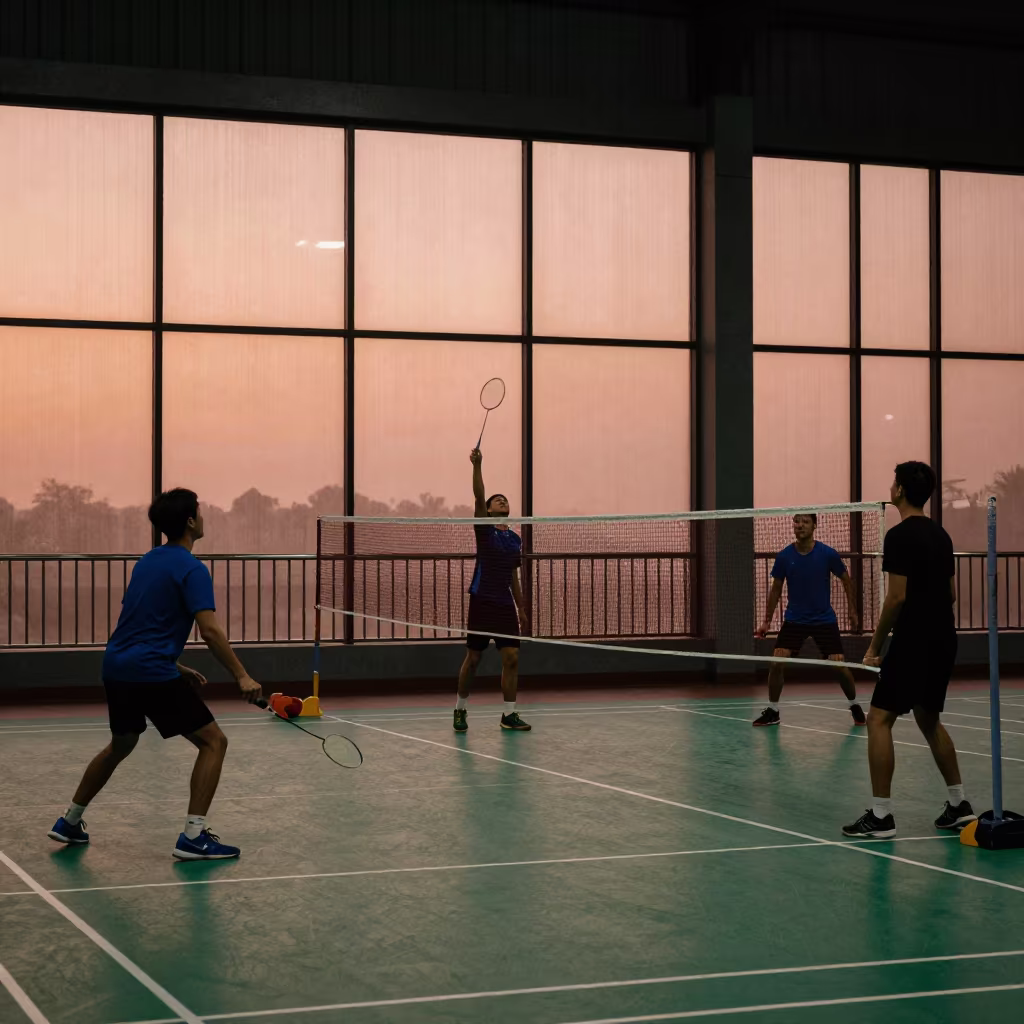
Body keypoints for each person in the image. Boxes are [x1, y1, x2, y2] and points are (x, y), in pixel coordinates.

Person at [47, 488, 263, 860]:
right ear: (191, 521)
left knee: (123, 742)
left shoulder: (147, 561)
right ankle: (194, 838)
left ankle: (69, 821)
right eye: (200, 511)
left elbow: (138, 623)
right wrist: (242, 675)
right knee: (214, 742)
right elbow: (209, 630)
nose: (203, 516)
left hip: (118, 666)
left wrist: (174, 665)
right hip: (148, 670)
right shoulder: (193, 569)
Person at [843, 462, 976, 838]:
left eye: (892, 481)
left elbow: (896, 598)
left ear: (899, 490)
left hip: (915, 639)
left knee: (879, 719)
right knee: (928, 718)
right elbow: (950, 594)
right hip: (943, 638)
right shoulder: (941, 535)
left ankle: (881, 816)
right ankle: (958, 804)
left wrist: (874, 647)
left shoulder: (898, 537)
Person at [753, 513, 865, 727]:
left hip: (824, 619)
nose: (800, 525)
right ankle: (773, 711)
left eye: (805, 522)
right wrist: (766, 621)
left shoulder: (827, 554)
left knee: (839, 666)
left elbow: (846, 579)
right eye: (797, 521)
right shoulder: (785, 556)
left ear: (814, 525)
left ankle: (854, 705)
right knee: (777, 662)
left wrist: (852, 610)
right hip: (795, 619)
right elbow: (776, 589)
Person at [453, 448, 531, 732]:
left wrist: (520, 607)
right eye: (497, 499)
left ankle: (508, 715)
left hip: (504, 604)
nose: (502, 500)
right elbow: (478, 494)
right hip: (482, 601)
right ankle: (460, 709)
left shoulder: (514, 539)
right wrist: (477, 465)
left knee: (511, 657)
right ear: (488, 510)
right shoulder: (484, 531)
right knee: (473, 658)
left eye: (505, 499)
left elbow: (514, 576)